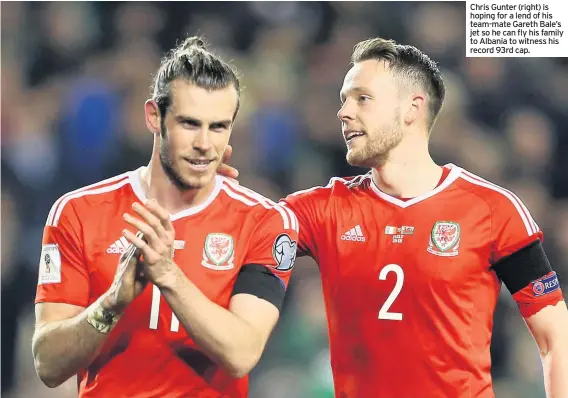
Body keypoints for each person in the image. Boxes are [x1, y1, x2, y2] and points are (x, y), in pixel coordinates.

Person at [220, 37, 568, 397]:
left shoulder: (492, 209)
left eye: (362, 98)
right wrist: (211, 188)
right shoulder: (323, 209)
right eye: (344, 100)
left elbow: (555, 334)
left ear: (412, 108)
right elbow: (235, 233)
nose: (343, 112)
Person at [32, 36, 299, 398]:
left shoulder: (263, 221)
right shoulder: (79, 212)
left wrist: (168, 275)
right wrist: (112, 304)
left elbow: (242, 352)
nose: (205, 143)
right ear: (154, 117)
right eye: (190, 124)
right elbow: (47, 364)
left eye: (218, 126)